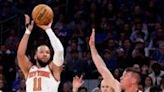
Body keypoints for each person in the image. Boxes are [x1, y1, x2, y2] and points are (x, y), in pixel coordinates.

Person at [17, 14, 64, 92]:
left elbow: (59, 51)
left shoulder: (53, 69)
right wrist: (27, 31)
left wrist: (48, 30)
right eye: (41, 52)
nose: (45, 54)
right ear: (35, 56)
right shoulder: (29, 69)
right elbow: (20, 54)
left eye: (47, 52)